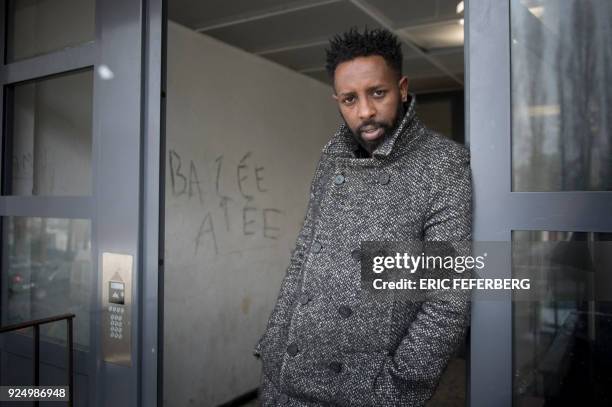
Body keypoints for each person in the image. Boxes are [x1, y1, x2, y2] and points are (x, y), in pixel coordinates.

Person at [254, 27, 472, 406]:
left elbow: (449, 297)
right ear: (336, 100)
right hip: (284, 377)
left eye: (378, 93)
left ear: (402, 88)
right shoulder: (332, 158)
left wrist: (396, 390)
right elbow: (304, 254)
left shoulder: (444, 165)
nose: (365, 111)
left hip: (362, 390)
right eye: (349, 99)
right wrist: (274, 339)